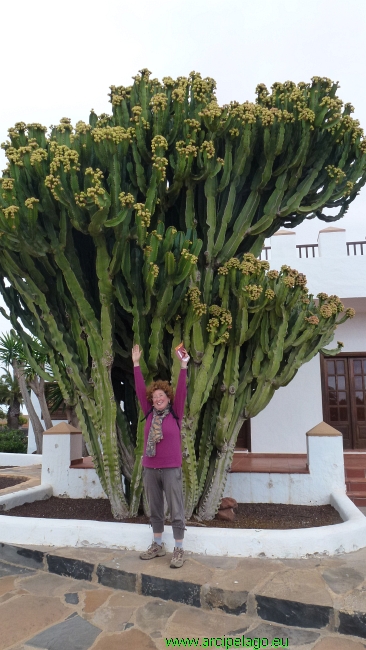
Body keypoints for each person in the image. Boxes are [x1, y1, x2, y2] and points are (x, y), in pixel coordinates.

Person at [132, 343, 189, 569]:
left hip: (171, 467)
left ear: (168, 397)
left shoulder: (175, 413)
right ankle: (157, 544)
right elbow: (138, 389)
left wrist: (183, 367)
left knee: (176, 508)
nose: (158, 398)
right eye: (155, 396)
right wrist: (136, 364)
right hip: (150, 466)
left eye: (162, 395)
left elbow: (182, 390)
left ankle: (179, 548)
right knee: (155, 507)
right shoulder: (148, 413)